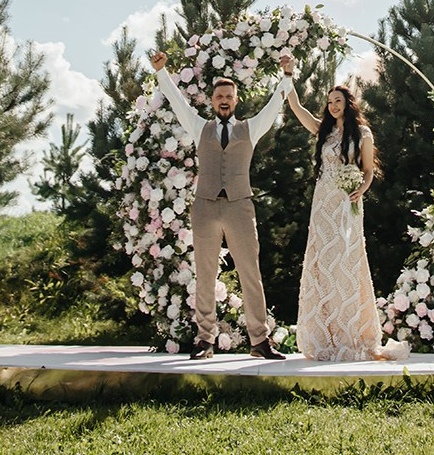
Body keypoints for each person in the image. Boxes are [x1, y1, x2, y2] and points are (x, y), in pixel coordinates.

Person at [149, 49, 294, 360]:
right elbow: (178, 102)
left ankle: (260, 341)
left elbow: (273, 106)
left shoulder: (250, 129)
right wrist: (162, 73)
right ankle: (205, 341)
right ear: (212, 101)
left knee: (250, 273)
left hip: (240, 207)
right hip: (205, 207)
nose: (224, 100)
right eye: (219, 96)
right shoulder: (199, 127)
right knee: (205, 274)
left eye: (229, 95)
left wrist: (286, 76)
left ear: (236, 100)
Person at [285, 77, 403, 361]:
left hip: (346, 204)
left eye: (338, 101)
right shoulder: (323, 132)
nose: (333, 106)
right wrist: (288, 77)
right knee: (322, 262)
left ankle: (351, 332)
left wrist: (361, 188)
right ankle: (325, 333)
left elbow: (368, 170)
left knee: (346, 260)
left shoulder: (362, 133)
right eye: (329, 102)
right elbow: (296, 106)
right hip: (322, 204)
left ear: (348, 104)